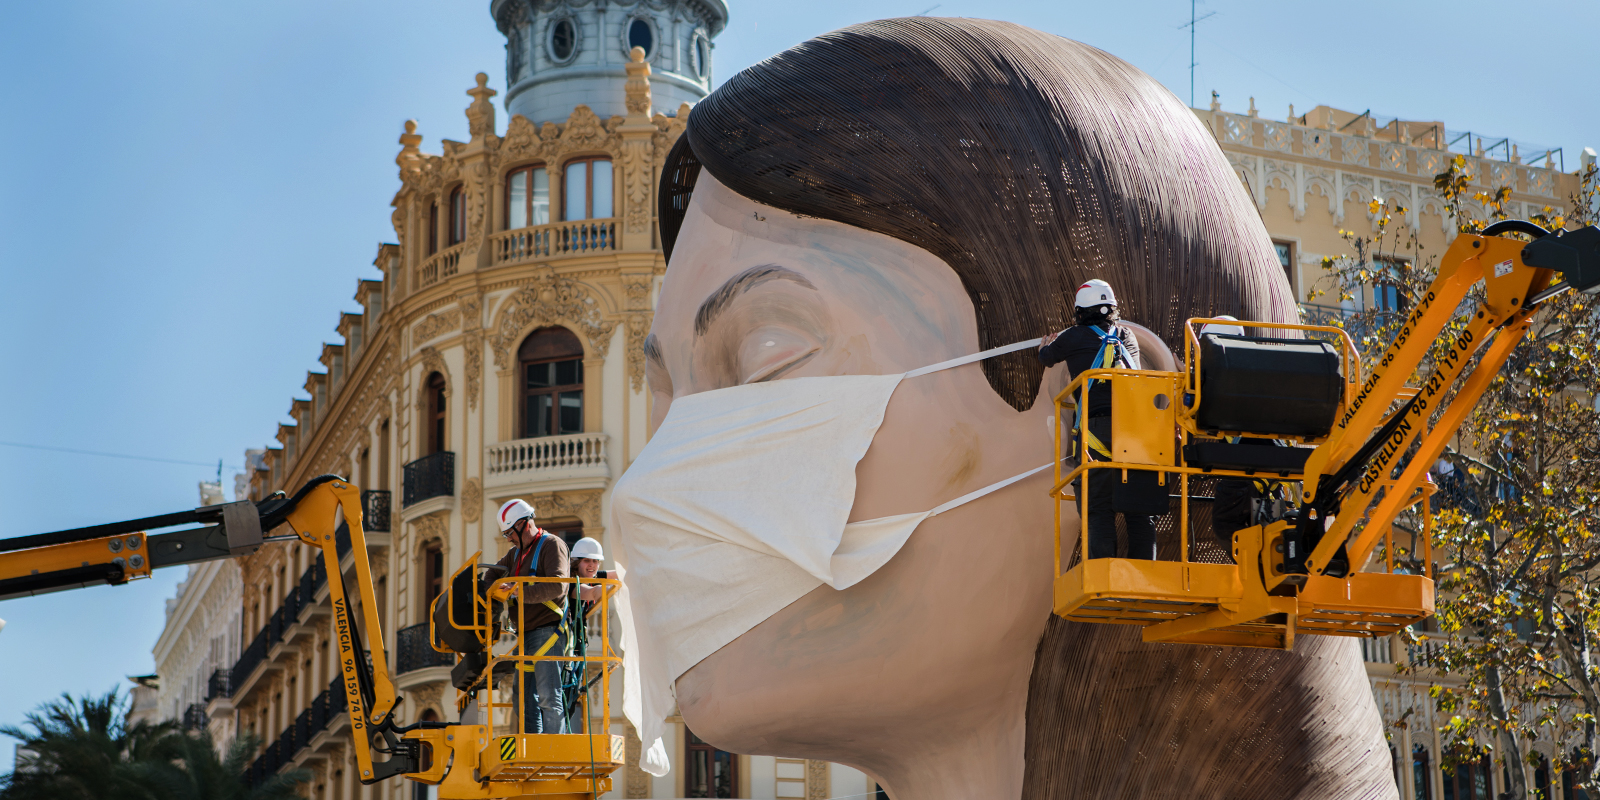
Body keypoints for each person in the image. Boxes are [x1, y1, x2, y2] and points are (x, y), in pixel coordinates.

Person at [1037, 279, 1156, 560]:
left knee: (1098, 506)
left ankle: (1103, 576)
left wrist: (1045, 347)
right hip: (1135, 430)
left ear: (1080, 311)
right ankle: (1144, 573)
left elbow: (1047, 358)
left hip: (1096, 431)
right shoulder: (1127, 336)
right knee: (1139, 509)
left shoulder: (1073, 336)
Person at [493, 498, 570, 735]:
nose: (508, 538)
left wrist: (519, 592)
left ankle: (554, 750)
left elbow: (558, 586)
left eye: (510, 532)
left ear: (525, 524)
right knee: (524, 701)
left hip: (548, 631)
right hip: (525, 636)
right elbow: (493, 574)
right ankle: (532, 750)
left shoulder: (551, 545)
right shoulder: (515, 555)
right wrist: (487, 591)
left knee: (549, 696)